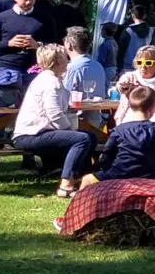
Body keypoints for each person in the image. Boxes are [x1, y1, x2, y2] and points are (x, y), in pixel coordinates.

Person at [12, 46, 95, 197]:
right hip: (31, 135)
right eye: (65, 58)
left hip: (41, 132)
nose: (68, 61)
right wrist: (70, 130)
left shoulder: (53, 79)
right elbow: (54, 114)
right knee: (81, 139)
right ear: (57, 61)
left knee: (91, 136)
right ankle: (66, 185)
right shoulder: (50, 82)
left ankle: (85, 180)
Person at [94, 84, 155, 180]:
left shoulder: (119, 130)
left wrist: (106, 168)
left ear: (130, 105)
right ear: (152, 109)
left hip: (120, 174)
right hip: (152, 174)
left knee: (87, 179)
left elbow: (107, 155)